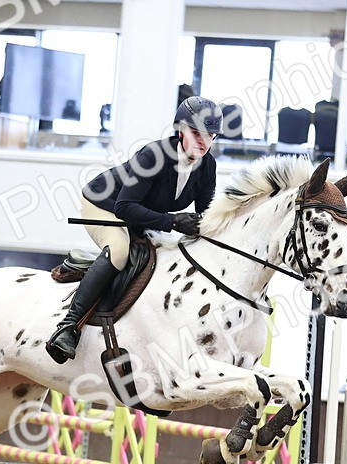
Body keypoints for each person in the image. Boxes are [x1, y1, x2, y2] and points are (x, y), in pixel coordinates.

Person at [45, 95, 222, 364]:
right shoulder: (154, 155)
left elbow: (204, 214)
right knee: (119, 250)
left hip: (142, 215)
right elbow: (124, 207)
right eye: (196, 133)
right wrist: (173, 221)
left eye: (210, 135)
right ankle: (68, 328)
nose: (202, 141)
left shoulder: (208, 166)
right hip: (103, 204)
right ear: (180, 130)